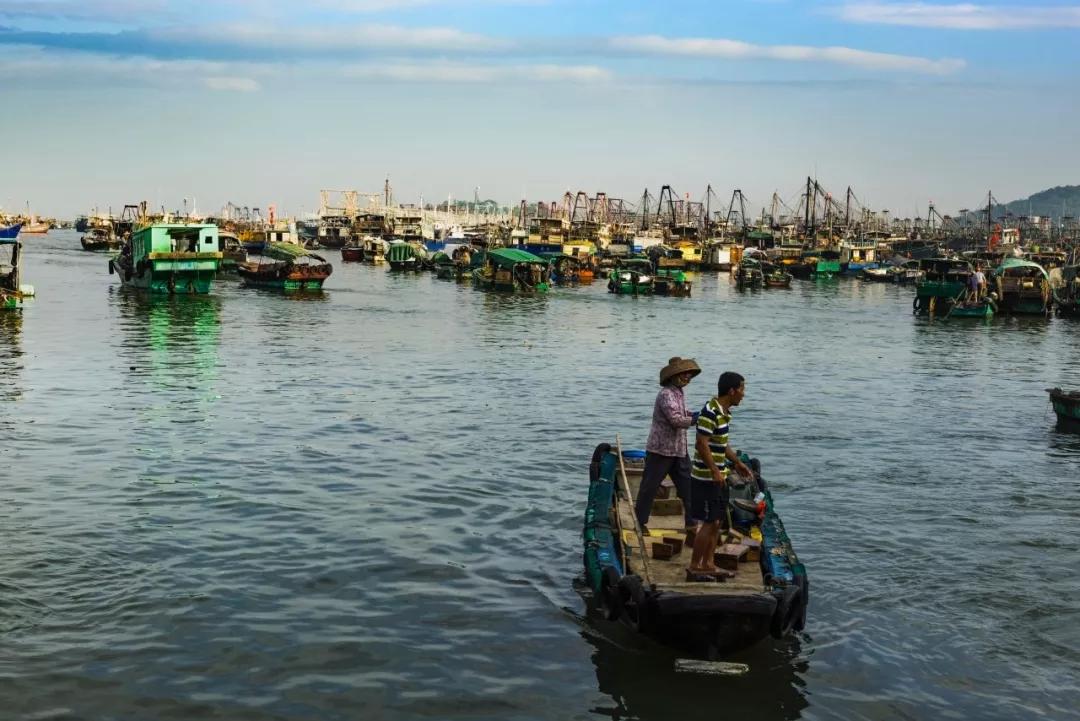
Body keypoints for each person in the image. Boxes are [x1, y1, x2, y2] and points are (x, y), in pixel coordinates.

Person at [688, 372, 753, 577]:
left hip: (719, 477)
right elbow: (702, 443)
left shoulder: (723, 412)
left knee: (716, 522)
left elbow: (720, 444)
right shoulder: (710, 412)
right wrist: (715, 471)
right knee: (708, 523)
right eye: (741, 389)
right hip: (705, 478)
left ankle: (709, 563)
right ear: (731, 391)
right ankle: (694, 566)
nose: (743, 394)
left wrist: (737, 462)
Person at [634, 357, 701, 533]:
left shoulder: (679, 393)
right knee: (650, 487)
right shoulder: (665, 394)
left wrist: (694, 414)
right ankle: (640, 523)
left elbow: (681, 413)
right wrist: (695, 419)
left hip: (679, 449)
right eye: (684, 375)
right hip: (661, 450)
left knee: (689, 487)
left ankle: (691, 522)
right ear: (673, 376)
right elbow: (676, 420)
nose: (687, 378)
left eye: (688, 375)